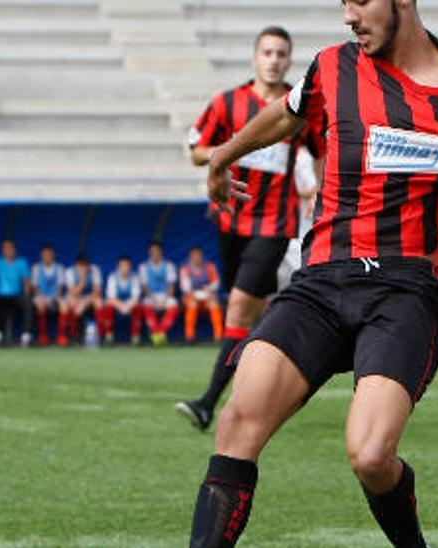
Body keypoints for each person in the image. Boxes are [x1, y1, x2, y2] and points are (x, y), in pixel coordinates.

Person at [183, 0, 438, 545]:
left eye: (360, 1)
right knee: (237, 421)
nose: (348, 15)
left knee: (369, 454)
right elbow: (288, 113)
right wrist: (225, 153)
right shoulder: (333, 66)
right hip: (319, 283)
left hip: (402, 288)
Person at [176, 25, 323, 430]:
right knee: (249, 312)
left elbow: (322, 151)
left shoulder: (302, 105)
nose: (274, 60)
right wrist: (224, 155)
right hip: (228, 218)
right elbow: (195, 152)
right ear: (255, 58)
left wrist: (323, 192)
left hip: (275, 223)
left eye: (281, 53)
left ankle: (208, 403)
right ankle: (269, 374)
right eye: (268, 52)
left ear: (288, 60)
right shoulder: (228, 103)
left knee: (239, 306)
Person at [0, 238, 32, 346]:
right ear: (2, 250)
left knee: (28, 304)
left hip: (16, 295)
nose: (8, 251)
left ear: (14, 249)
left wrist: (26, 295)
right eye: (6, 248)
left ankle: (26, 335)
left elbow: (26, 282)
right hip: (1, 295)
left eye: (10, 248)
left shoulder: (21, 262)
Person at [139, 241, 180, 347]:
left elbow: (171, 286)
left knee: (174, 304)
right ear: (149, 252)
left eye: (157, 251)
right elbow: (144, 287)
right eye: (153, 251)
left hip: (165, 295)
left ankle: (161, 332)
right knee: (145, 304)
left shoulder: (169, 265)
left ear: (161, 252)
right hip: (151, 296)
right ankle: (156, 332)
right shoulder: (143, 266)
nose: (155, 253)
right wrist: (154, 300)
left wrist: (165, 300)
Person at [179, 246, 223, 344]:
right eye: (194, 255)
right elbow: (185, 287)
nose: (196, 257)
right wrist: (195, 292)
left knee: (214, 304)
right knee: (192, 304)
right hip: (191, 296)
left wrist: (209, 288)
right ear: (190, 257)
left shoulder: (209, 266)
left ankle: (218, 336)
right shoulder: (185, 268)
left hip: (207, 296)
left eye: (198, 255)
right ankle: (189, 337)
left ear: (202, 256)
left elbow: (216, 283)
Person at [31, 244, 68, 346]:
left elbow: (60, 287)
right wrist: (43, 297)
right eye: (45, 254)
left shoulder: (59, 268)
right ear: (41, 256)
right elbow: (34, 288)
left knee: (64, 304)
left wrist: (52, 298)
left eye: (49, 254)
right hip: (41, 296)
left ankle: (61, 335)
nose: (47, 256)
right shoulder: (36, 268)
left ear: (53, 255)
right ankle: (43, 335)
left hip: (55, 296)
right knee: (40, 304)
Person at [101, 256, 142, 345]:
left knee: (138, 306)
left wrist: (127, 306)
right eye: (122, 266)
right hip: (117, 304)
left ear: (130, 267)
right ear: (118, 267)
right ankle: (109, 336)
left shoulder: (135, 277)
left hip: (129, 304)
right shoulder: (112, 277)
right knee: (108, 306)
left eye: (127, 266)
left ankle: (135, 336)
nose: (125, 268)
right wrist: (122, 307)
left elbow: (136, 297)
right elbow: (111, 297)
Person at [64, 254, 104, 343]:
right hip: (75, 297)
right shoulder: (69, 272)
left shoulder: (94, 270)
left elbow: (97, 291)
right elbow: (73, 293)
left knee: (99, 302)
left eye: (85, 266)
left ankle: (101, 335)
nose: (83, 269)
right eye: (80, 266)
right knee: (72, 303)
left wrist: (85, 302)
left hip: (89, 297)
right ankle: (74, 335)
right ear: (76, 265)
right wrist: (82, 281)